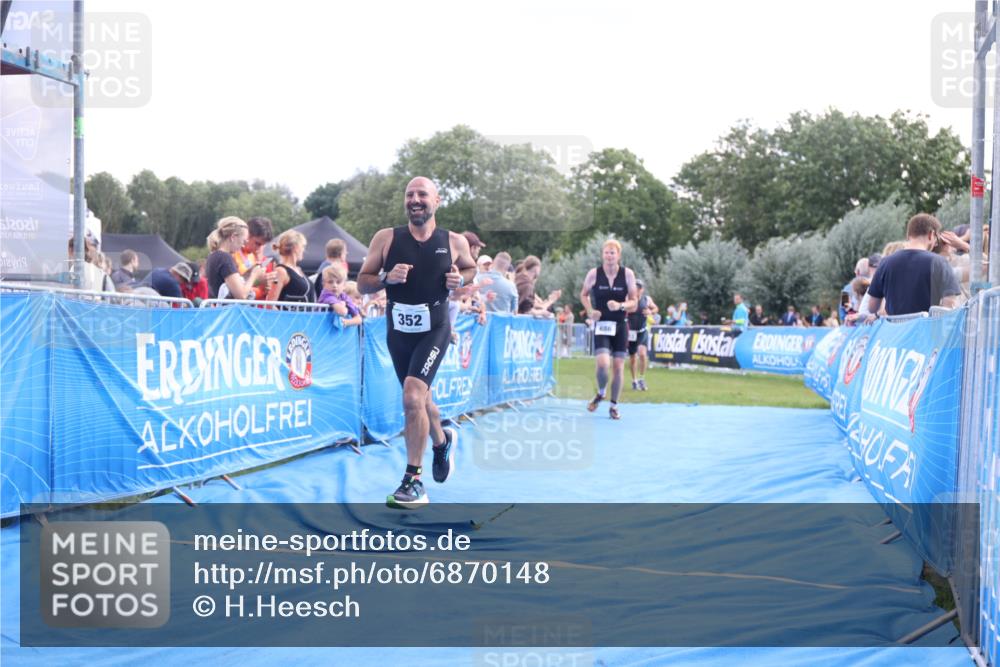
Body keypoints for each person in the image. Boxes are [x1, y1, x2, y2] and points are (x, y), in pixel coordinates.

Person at [357, 177, 477, 509]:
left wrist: (461, 279)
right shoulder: (386, 238)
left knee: (411, 397)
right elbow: (363, 282)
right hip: (398, 330)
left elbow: (470, 270)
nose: (415, 199)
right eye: (409, 194)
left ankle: (413, 481)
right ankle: (442, 442)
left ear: (437, 200)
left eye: (422, 194)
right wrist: (384, 277)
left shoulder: (452, 241)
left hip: (435, 327)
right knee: (420, 402)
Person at [580, 239, 639, 420]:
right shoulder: (594, 274)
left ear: (618, 255)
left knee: (619, 366)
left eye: (613, 252)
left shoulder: (627, 274)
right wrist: (590, 310)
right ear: (602, 255)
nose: (609, 255)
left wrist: (621, 305)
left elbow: (634, 302)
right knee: (603, 364)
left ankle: (614, 405)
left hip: (621, 325)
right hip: (603, 325)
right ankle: (601, 391)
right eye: (606, 252)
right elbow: (583, 294)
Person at [864, 213, 962, 318]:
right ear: (931, 234)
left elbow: (872, 307)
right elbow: (949, 305)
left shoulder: (885, 263)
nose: (935, 244)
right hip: (926, 331)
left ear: (908, 235)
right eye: (936, 239)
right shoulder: (939, 262)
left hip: (895, 332)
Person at [205, 217, 267, 299]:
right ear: (233, 237)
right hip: (227, 310)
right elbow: (241, 296)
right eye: (243, 241)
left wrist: (248, 274)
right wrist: (254, 275)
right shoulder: (225, 258)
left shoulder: (213, 255)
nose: (243, 245)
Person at [233, 216, 275, 300]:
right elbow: (237, 291)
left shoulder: (252, 256)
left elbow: (252, 288)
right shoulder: (232, 253)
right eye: (257, 243)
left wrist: (264, 286)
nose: (259, 248)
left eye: (262, 245)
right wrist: (257, 281)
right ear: (248, 235)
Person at [266, 230, 314, 303]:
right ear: (296, 247)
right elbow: (270, 304)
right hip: (289, 314)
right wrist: (287, 315)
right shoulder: (281, 271)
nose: (304, 250)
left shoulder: (298, 269)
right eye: (303, 246)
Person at [627, 279, 657, 391]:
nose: (637, 290)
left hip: (642, 331)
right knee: (633, 357)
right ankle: (634, 380)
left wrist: (651, 312)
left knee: (643, 354)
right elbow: (621, 309)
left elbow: (655, 308)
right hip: (631, 333)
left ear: (642, 289)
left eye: (639, 288)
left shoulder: (647, 299)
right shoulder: (628, 299)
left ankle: (641, 378)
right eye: (635, 288)